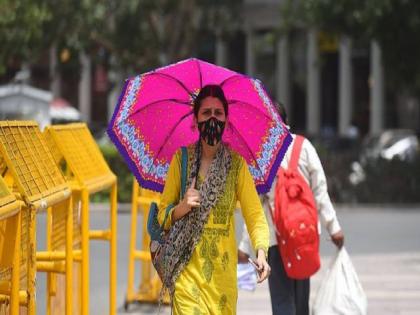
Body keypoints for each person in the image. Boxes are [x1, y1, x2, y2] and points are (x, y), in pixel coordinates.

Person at [158, 84, 270, 314]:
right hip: (186, 276)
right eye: (206, 113)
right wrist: (181, 207)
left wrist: (261, 252)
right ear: (196, 119)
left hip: (222, 283)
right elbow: (162, 217)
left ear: (226, 120)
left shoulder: (237, 166)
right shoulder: (182, 160)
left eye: (218, 113)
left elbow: (255, 215)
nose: (212, 119)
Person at [238, 103, 345, 315]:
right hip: (304, 235)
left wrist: (244, 244)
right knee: (300, 300)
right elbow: (320, 191)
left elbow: (255, 206)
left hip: (275, 239)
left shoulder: (262, 155)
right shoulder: (304, 147)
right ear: (286, 120)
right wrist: (334, 228)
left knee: (282, 301)